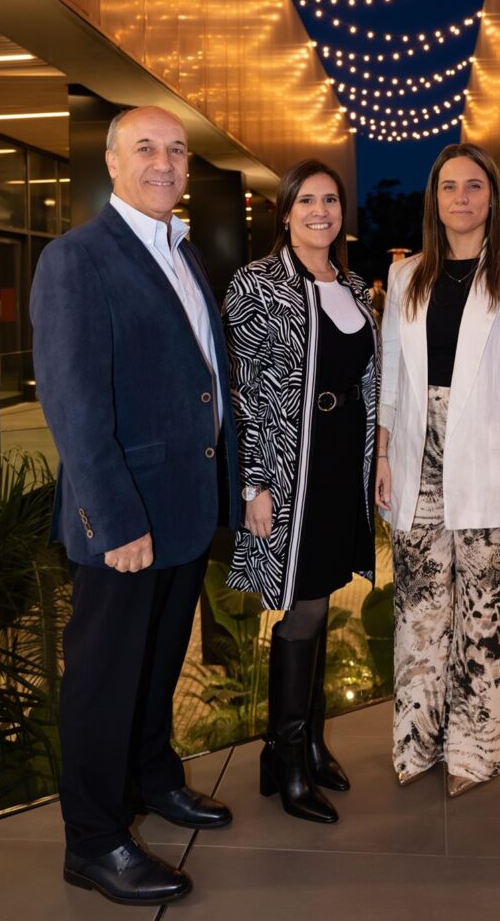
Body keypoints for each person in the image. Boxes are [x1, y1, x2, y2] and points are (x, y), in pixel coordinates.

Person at [30, 106, 240, 906]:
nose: (164, 162)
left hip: (183, 507)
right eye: (145, 148)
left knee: (156, 663)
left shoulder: (182, 252)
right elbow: (74, 404)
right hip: (124, 517)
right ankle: (93, 840)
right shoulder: (76, 258)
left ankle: (155, 779)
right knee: (103, 678)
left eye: (176, 150)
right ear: (112, 163)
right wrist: (114, 520)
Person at [375, 143, 500, 798]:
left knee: (484, 613)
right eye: (449, 186)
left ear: (492, 198)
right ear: (435, 199)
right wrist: (382, 455)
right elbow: (392, 374)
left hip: (493, 461)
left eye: (474, 186)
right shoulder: (405, 276)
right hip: (415, 455)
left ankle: (476, 752)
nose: (461, 198)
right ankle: (416, 744)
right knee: (418, 610)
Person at [224, 159, 378, 824]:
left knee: (321, 596)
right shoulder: (256, 283)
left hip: (342, 464)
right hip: (291, 468)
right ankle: (286, 759)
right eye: (307, 200)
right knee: (304, 606)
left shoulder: (354, 285)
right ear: (285, 212)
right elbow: (242, 391)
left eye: (331, 200)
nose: (321, 211)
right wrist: (253, 483)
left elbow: (367, 378)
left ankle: (307, 743)